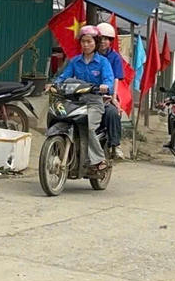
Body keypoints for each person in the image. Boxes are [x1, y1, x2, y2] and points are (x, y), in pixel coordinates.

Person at [50, 26, 115, 173]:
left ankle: (99, 160)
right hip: (74, 101)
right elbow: (63, 76)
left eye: (89, 41)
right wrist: (54, 84)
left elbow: (109, 81)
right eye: (83, 41)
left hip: (94, 103)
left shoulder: (103, 62)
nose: (85, 45)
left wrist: (106, 86)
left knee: (87, 126)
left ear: (96, 43)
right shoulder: (75, 61)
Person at [95, 22, 126, 157]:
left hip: (107, 94)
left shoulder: (114, 57)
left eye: (106, 39)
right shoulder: (88, 54)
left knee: (113, 113)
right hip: (87, 93)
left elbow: (116, 78)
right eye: (100, 39)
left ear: (111, 41)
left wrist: (113, 97)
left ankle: (115, 144)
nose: (103, 42)